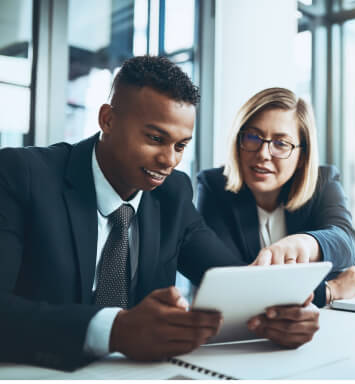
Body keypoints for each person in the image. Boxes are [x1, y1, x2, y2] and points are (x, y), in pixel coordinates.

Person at [0, 59, 320, 371]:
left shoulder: (173, 193)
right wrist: (115, 330)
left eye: (181, 146)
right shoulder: (22, 175)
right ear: (108, 119)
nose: (169, 161)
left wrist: (281, 315)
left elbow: (231, 280)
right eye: (155, 139)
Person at [197, 87, 355, 308]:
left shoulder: (322, 181)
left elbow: (345, 242)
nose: (263, 154)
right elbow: (227, 284)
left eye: (281, 143)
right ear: (238, 141)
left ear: (302, 156)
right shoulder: (215, 186)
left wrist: (306, 243)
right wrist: (331, 290)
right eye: (252, 137)